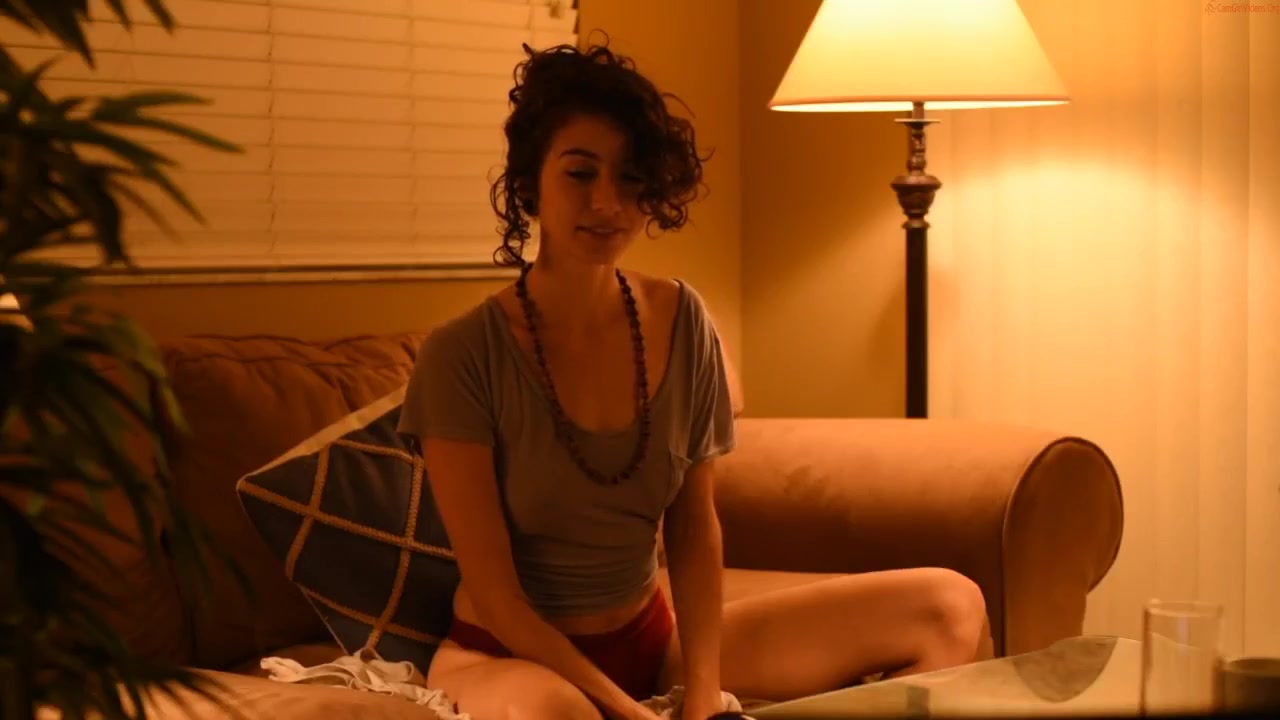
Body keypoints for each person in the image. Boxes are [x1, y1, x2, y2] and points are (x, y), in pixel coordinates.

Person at [397, 40, 990, 720]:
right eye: (580, 174)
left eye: (630, 178)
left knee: (948, 604)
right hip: (509, 657)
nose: (607, 202)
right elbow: (498, 599)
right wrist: (627, 710)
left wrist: (703, 694)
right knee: (563, 714)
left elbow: (694, 527)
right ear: (531, 184)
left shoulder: (682, 319)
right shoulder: (461, 355)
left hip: (652, 641)